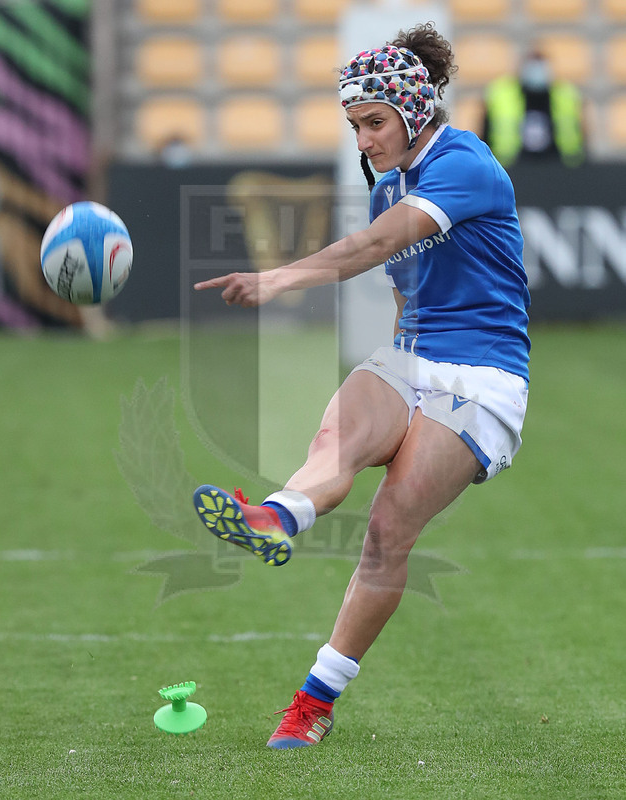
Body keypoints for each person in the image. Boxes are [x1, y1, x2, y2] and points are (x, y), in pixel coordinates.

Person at [193, 22, 530, 749]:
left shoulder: (465, 164)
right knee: (335, 441)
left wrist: (277, 278)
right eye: (354, 125)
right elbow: (406, 293)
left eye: (374, 122)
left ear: (414, 112)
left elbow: (377, 247)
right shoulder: (387, 187)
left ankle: (313, 702)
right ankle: (276, 517)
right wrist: (394, 375)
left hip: (484, 374)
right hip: (415, 352)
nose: (365, 139)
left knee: (385, 536)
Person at [481, 48, 585, 168]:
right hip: (512, 168)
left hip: (558, 166)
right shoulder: (502, 95)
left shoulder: (564, 95)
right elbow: (486, 134)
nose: (537, 71)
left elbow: (579, 134)